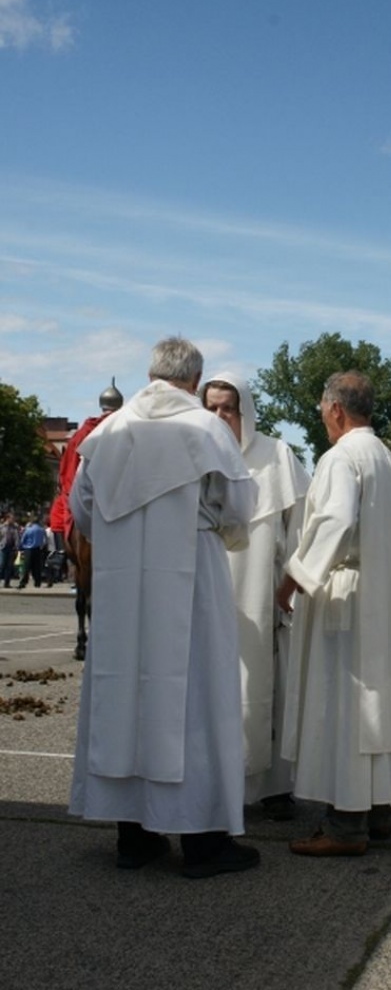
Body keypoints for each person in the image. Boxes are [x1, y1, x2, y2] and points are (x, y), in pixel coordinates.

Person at [69, 337, 260, 878]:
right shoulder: (206, 431)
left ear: (150, 374)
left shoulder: (106, 435)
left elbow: (82, 513)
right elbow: (240, 506)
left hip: (122, 583)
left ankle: (135, 835)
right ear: (194, 382)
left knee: (124, 691)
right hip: (191, 578)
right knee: (195, 697)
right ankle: (203, 842)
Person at [277, 371, 391, 856]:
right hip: (379, 595)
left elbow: (334, 522)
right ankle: (376, 809)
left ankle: (345, 824)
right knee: (372, 704)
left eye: (322, 413)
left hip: (345, 595)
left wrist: (291, 579)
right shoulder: (388, 460)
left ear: (336, 409)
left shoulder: (342, 458)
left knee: (343, 703)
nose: (323, 422)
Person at [201, 370, 310, 821]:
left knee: (268, 689)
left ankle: (273, 789)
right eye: (212, 408)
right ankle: (216, 782)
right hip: (209, 593)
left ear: (245, 409)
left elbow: (302, 526)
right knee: (213, 690)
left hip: (263, 595)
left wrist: (292, 584)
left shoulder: (276, 457)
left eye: (229, 407)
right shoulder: (195, 453)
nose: (221, 415)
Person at [50, 380, 124, 556]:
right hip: (119, 492)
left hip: (84, 489)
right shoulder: (127, 427)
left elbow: (68, 468)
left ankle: (58, 554)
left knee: (58, 514)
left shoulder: (83, 432)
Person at [17, 516, 46, 589]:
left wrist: (21, 547)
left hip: (28, 549)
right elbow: (45, 541)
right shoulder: (42, 530)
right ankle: (37, 582)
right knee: (37, 567)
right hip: (38, 550)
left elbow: (23, 539)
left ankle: (23, 582)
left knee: (26, 567)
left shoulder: (28, 530)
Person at [0, 512, 19, 588]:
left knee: (9, 566)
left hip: (11, 548)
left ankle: (7, 583)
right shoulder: (1, 527)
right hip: (3, 547)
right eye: (12, 518)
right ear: (7, 518)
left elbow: (17, 538)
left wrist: (17, 547)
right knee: (2, 565)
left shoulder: (14, 527)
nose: (13, 520)